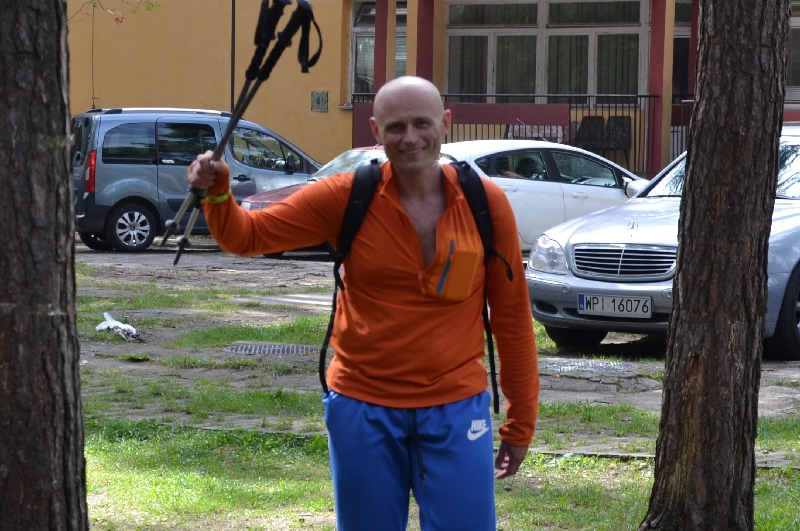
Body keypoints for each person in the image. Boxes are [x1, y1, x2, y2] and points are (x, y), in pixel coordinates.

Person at [186, 76, 539, 531]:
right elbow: (246, 236)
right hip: (362, 407)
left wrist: (521, 421)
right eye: (395, 127)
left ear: (445, 123)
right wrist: (218, 191)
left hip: (456, 408)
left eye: (421, 123)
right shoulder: (347, 195)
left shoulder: (484, 203)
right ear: (376, 131)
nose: (410, 138)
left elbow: (511, 317)